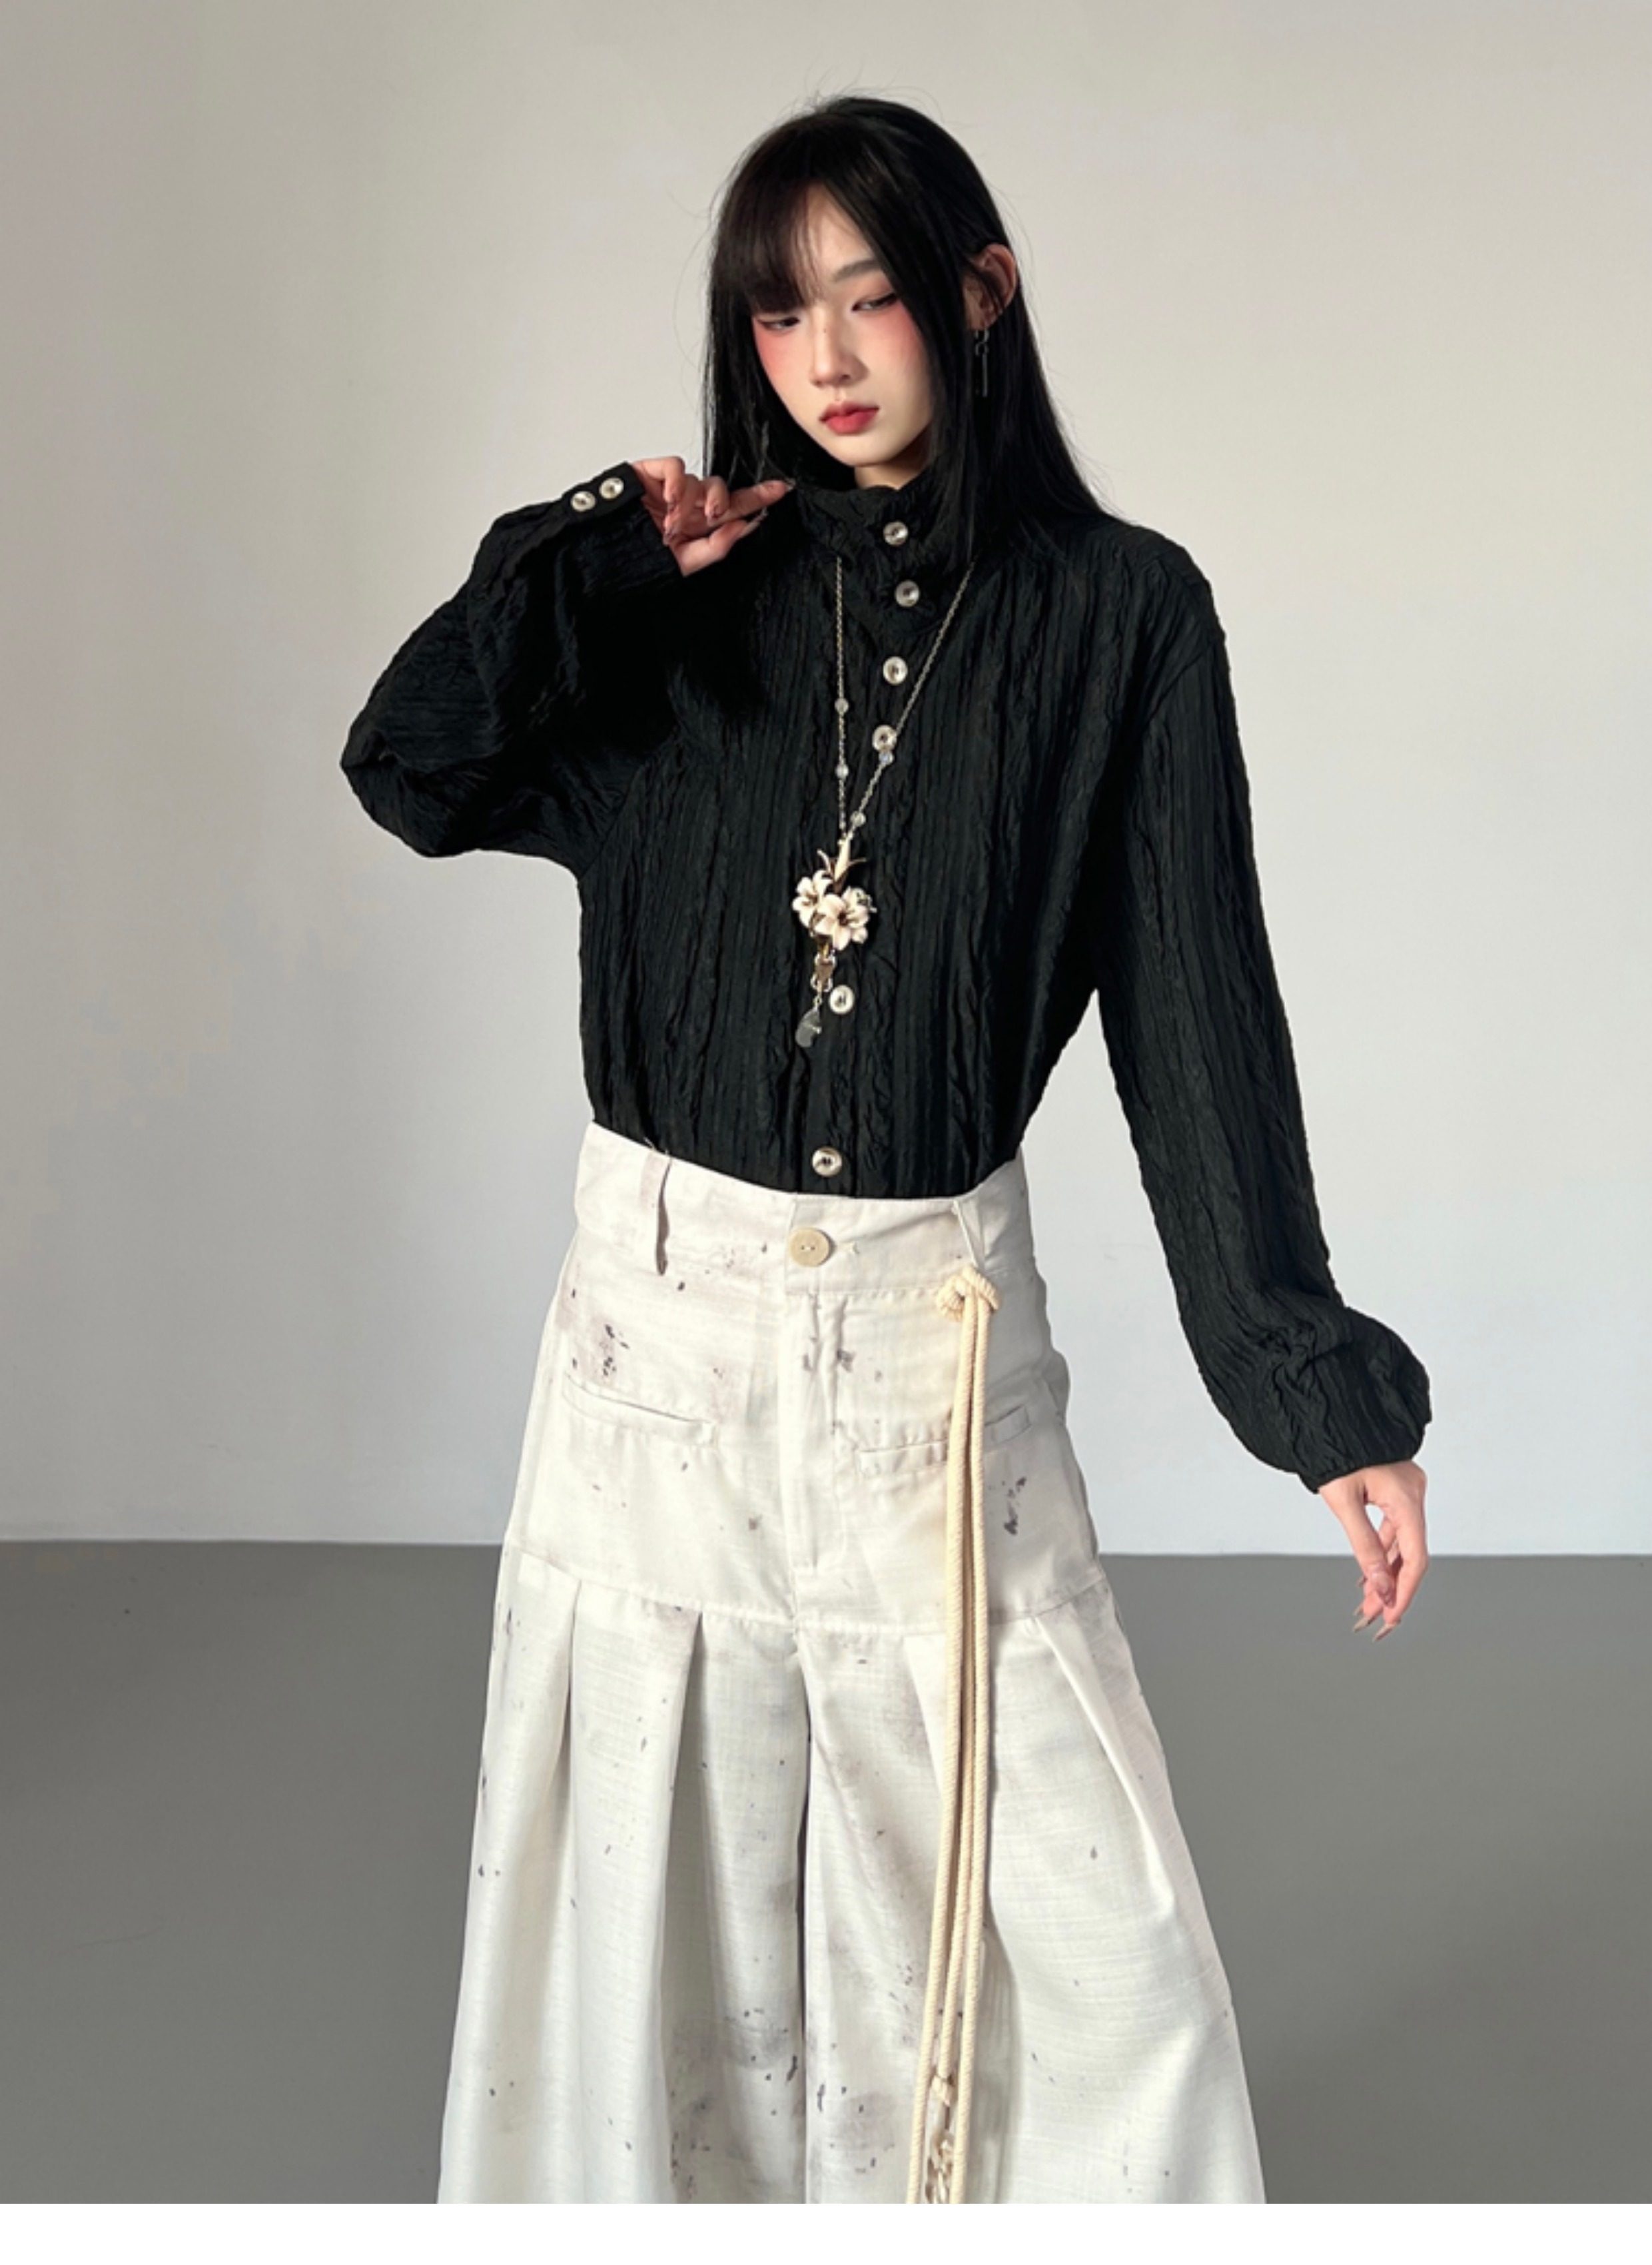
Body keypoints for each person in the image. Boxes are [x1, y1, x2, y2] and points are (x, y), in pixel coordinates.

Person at [340, 93, 1431, 2206]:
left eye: (872, 298)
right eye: (780, 315)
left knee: (1095, 1949)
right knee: (660, 1930)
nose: (826, 358)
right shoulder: (674, 604)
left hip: (936, 1364)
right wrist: (593, 554)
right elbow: (407, 768)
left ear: (979, 296)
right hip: (658, 1359)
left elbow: (1197, 1019)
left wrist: (1317, 1399)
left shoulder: (1121, 620)